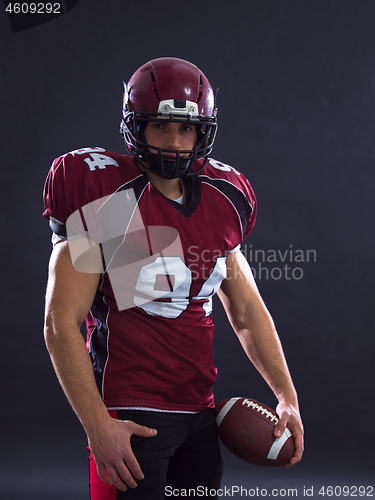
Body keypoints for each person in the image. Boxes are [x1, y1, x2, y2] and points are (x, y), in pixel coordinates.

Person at [43, 57, 304, 499]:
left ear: (203, 132)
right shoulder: (106, 196)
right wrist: (97, 423)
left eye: (186, 129)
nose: (175, 141)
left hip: (200, 415)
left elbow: (245, 310)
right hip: (130, 416)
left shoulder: (225, 197)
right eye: (160, 126)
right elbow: (60, 322)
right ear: (136, 128)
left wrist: (287, 397)